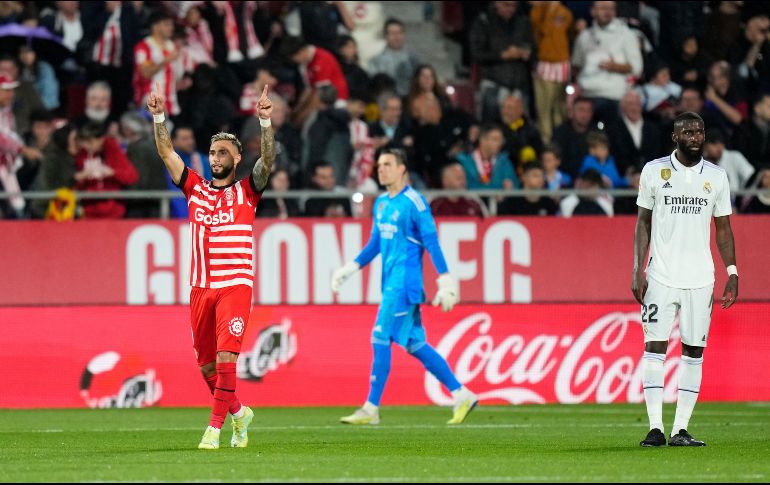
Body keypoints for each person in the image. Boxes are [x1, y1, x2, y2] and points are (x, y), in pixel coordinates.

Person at [148, 81, 275, 449]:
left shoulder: (248, 191)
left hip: (235, 284)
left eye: (223, 152)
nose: (216, 157)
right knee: (206, 367)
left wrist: (265, 124)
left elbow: (267, 161)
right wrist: (159, 116)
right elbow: (167, 152)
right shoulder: (195, 189)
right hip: (200, 287)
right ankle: (239, 412)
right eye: (212, 152)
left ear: (236, 159)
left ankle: (215, 429)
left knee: (225, 357)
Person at [330, 148, 478, 425]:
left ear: (402, 169)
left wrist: (445, 279)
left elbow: (431, 242)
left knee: (379, 336)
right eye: (379, 165)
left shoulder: (415, 202)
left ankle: (371, 409)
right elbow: (375, 243)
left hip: (404, 284)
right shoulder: (382, 203)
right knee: (415, 343)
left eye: (387, 164)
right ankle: (462, 394)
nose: (381, 169)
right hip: (390, 283)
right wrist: (351, 268)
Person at [633, 111, 738, 447]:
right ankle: (654, 427)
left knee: (694, 352)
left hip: (701, 278)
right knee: (654, 348)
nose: (695, 136)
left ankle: (680, 428)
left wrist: (732, 272)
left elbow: (723, 229)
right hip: (661, 275)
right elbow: (642, 223)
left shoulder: (717, 177)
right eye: (687, 131)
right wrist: (638, 268)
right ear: (674, 137)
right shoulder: (654, 171)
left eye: (699, 131)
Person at [367, 18, 420, 96]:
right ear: (385, 36)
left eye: (399, 33)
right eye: (392, 33)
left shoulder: (414, 59)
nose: (396, 37)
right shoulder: (375, 62)